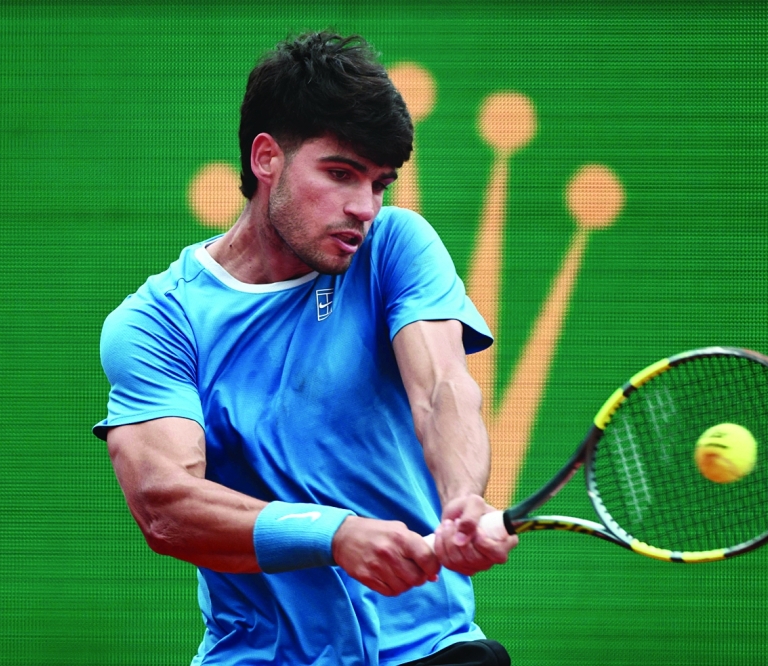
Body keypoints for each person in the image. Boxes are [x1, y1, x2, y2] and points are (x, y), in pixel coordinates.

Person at [94, 31, 517, 666]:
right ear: (267, 158)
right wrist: (334, 535)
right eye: (341, 174)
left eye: (380, 183)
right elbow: (166, 506)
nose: (365, 208)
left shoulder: (396, 245)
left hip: (433, 649)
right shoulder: (158, 322)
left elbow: (441, 390)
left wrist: (462, 498)